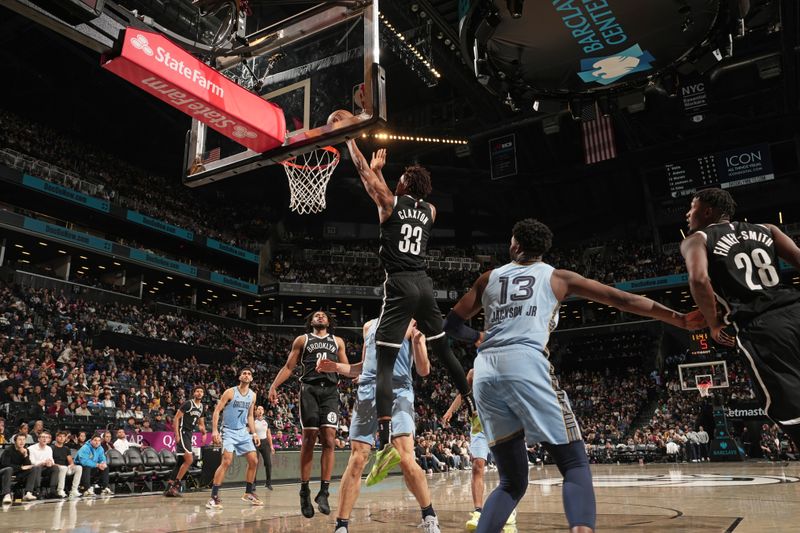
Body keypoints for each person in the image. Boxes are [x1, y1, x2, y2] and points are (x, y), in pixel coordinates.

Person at [444, 218, 705, 533]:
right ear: (543, 249)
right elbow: (622, 299)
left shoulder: (489, 278)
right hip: (525, 362)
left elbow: (452, 324)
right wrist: (676, 318)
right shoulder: (558, 277)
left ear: (514, 245)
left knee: (512, 481)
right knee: (574, 464)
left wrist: (477, 336)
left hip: (485, 371)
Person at [335, 122, 472, 479]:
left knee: (383, 362)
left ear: (405, 185)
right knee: (445, 350)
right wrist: (382, 176)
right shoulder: (431, 211)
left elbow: (366, 179)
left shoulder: (389, 202)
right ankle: (471, 406)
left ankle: (382, 444)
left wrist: (349, 140)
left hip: (398, 286)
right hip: (425, 285)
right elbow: (394, 195)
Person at [680, 188, 800, 447]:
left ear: (708, 211)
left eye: (692, 207)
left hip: (762, 327)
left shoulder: (697, 239)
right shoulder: (768, 229)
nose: (688, 213)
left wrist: (713, 323)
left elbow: (699, 280)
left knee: (791, 411)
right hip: (795, 308)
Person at [317, 318, 440, 533]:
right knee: (357, 459)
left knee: (404, 457)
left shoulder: (411, 323)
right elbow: (364, 367)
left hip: (399, 390)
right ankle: (341, 526)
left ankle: (429, 514)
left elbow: (423, 370)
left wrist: (419, 342)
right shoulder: (368, 326)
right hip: (367, 392)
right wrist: (336, 366)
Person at [269, 311, 346, 518]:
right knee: (309, 439)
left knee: (330, 439)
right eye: (316, 315)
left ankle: (324, 492)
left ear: (329, 321)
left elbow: (346, 367)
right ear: (310, 321)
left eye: (323, 315)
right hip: (309, 390)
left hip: (330, 391)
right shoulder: (302, 340)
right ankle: (304, 490)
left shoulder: (337, 341)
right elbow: (289, 367)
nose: (320, 317)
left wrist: (357, 376)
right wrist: (274, 385)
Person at [443, 369, 516, 532]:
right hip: (478, 427)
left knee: (506, 470)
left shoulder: (504, 368)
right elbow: (462, 393)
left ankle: (508, 509)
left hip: (501, 425)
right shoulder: (473, 373)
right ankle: (478, 511)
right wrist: (450, 410)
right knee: (477, 466)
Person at [207, 367, 262, 509]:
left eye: (249, 374)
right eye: (244, 373)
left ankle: (248, 493)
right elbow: (217, 410)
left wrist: (254, 433)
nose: (247, 375)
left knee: (254, 461)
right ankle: (213, 497)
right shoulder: (230, 392)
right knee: (226, 461)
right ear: (240, 377)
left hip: (243, 432)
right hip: (229, 431)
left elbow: (250, 415)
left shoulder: (253, 395)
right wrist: (214, 431)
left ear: (251, 378)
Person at [165, 385, 207, 497]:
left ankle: (168, 487)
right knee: (189, 459)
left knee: (180, 462)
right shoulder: (188, 403)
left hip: (190, 433)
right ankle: (176, 486)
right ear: (194, 393)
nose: (199, 393)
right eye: (197, 391)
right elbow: (176, 418)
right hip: (183, 432)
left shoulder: (202, 407)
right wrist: (176, 434)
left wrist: (204, 433)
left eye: (201, 391)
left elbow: (201, 423)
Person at [1, 434, 41, 501]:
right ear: (15, 441)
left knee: (33, 468)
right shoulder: (8, 450)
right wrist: (21, 468)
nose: (22, 442)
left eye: (23, 440)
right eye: (20, 439)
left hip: (17, 473)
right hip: (5, 472)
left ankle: (28, 493)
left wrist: (25, 456)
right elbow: (5, 464)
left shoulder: (26, 450)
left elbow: (27, 465)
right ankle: (6, 495)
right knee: (9, 469)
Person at [51, 430, 83, 498]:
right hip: (56, 467)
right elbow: (51, 461)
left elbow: (70, 460)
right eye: (60, 436)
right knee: (63, 468)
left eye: (63, 437)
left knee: (79, 468)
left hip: (65, 467)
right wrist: (60, 466)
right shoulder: (51, 448)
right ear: (56, 438)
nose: (62, 438)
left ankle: (74, 490)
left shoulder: (66, 448)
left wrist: (71, 465)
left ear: (65, 438)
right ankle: (60, 490)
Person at [28, 431, 60, 497]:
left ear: (48, 440)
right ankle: (37, 490)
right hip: (34, 469)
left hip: (45, 468)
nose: (45, 439)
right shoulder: (31, 448)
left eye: (46, 437)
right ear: (38, 439)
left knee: (55, 468)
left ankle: (52, 490)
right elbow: (32, 462)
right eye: (43, 437)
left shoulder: (49, 448)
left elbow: (51, 459)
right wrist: (43, 462)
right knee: (38, 467)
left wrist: (50, 463)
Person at [254, 405, 275, 490]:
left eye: (262, 409)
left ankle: (268, 483)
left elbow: (269, 434)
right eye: (258, 409)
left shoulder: (266, 421)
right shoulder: (253, 421)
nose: (260, 410)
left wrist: (271, 446)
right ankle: (253, 484)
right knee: (255, 463)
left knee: (268, 464)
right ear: (256, 411)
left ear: (263, 411)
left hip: (265, 443)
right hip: (255, 443)